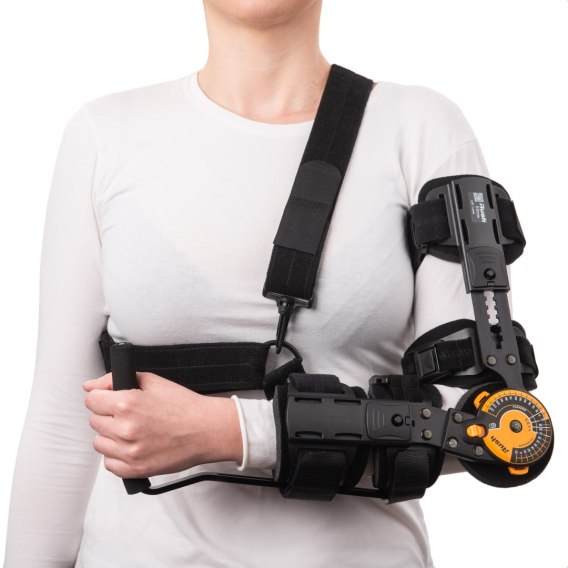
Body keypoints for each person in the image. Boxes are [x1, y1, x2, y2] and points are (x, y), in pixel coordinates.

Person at [4, 1, 492, 566]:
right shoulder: (104, 133)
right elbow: (62, 423)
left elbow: (491, 427)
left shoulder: (421, 127)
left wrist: (234, 432)